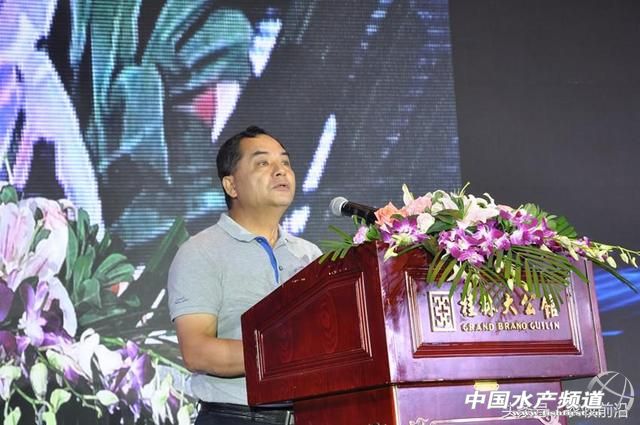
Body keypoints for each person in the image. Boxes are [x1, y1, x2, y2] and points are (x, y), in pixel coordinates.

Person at [167, 126, 322, 424]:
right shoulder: (200, 251)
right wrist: (287, 353)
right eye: (263, 163)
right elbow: (197, 352)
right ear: (231, 185)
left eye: (285, 162)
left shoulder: (309, 254)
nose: (281, 171)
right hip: (236, 417)